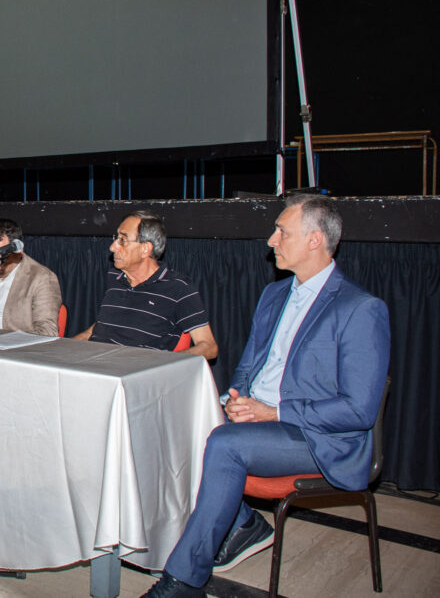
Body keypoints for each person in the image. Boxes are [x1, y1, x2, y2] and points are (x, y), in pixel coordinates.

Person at [141, 194, 390, 597]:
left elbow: (358, 410)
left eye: (281, 232)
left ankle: (184, 580)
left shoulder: (360, 308)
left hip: (319, 437)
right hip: (262, 419)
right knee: (170, 421)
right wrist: (234, 400)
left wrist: (273, 412)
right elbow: (249, 366)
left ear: (314, 240)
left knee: (226, 445)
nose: (271, 241)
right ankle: (243, 522)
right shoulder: (274, 295)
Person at [73, 210, 218, 361]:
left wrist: (161, 364)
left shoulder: (178, 287)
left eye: (123, 240)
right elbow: (95, 331)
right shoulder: (114, 278)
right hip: (93, 362)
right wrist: (61, 350)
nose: (113, 247)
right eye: (116, 238)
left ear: (145, 249)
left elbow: (208, 347)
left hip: (132, 370)